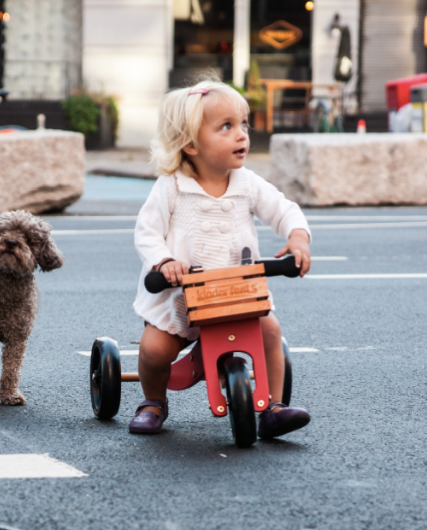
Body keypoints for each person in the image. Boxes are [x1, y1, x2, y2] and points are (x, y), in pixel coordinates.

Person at [130, 80, 311, 439]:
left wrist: (297, 236)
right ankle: (153, 401)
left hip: (237, 296)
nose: (241, 134)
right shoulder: (172, 186)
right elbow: (146, 232)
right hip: (179, 299)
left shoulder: (248, 183)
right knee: (154, 350)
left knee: (270, 331)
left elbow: (283, 209)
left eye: (243, 124)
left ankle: (272, 406)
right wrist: (164, 262)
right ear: (191, 143)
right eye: (226, 127)